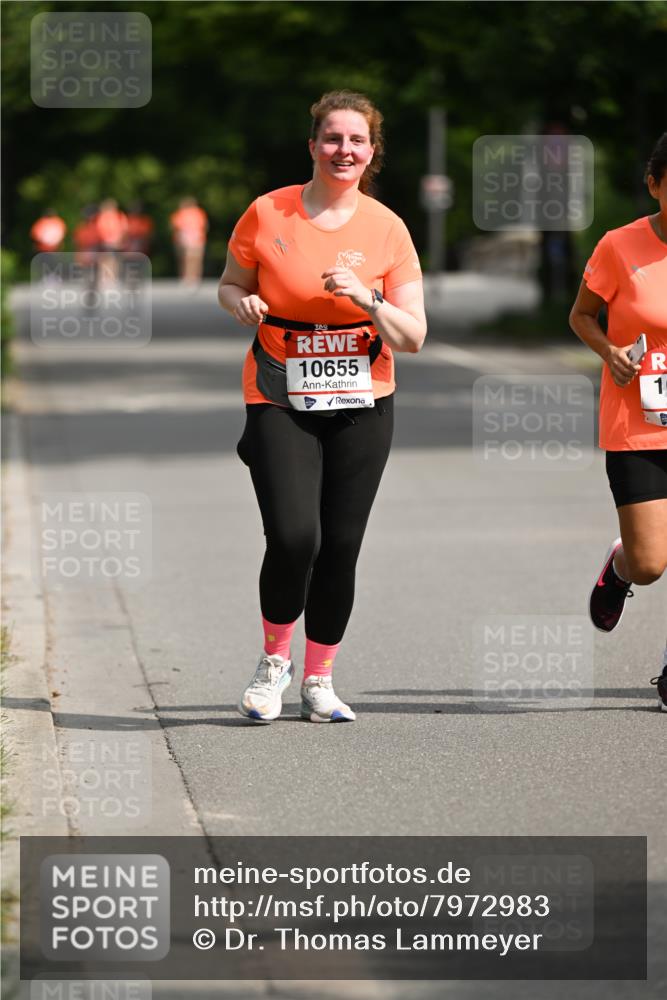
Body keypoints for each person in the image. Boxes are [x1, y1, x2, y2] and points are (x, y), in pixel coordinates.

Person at [218, 90, 426, 723]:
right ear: (312, 145)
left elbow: (413, 336)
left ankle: (319, 679)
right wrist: (241, 302)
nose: (344, 150)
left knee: (340, 544)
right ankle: (273, 663)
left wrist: (369, 298)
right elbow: (230, 283)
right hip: (278, 389)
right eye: (333, 138)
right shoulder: (267, 213)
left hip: (365, 398)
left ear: (371, 151)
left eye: (357, 140)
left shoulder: (388, 228)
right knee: (293, 536)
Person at [569, 132, 667, 712]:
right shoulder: (619, 246)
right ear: (655, 184)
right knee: (652, 563)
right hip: (638, 423)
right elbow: (582, 315)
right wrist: (610, 353)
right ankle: (622, 565)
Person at [170, 196, 208, 284]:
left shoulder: (181, 213)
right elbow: (204, 226)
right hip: (197, 239)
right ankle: (194, 277)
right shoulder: (199, 213)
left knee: (186, 259)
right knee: (195, 259)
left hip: (187, 239)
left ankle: (187, 277)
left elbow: (176, 227)